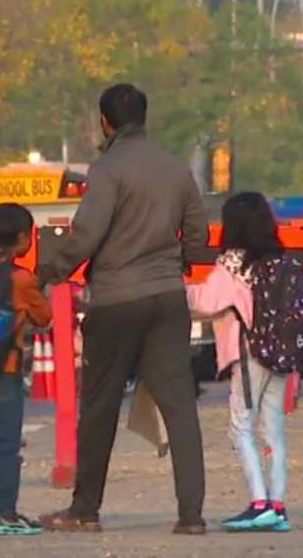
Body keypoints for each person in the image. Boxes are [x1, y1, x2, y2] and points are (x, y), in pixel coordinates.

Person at [38, 83, 209, 535]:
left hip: (115, 300)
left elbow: (87, 234)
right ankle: (191, 515)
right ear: (145, 118)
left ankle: (85, 509)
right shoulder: (176, 169)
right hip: (167, 299)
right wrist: (179, 264)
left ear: (105, 123)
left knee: (99, 407)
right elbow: (198, 233)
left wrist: (49, 271)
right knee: (180, 409)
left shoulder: (107, 169)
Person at [186, 192, 291, 532]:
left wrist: (174, 287)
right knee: (272, 427)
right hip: (280, 352)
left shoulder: (233, 264)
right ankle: (277, 505)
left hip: (249, 353)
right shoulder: (279, 260)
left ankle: (259, 504)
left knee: (239, 426)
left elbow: (204, 302)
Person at [0, 202, 53, 536]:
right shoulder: (21, 279)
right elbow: (44, 319)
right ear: (21, 238)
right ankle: (6, 512)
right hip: (5, 367)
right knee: (7, 442)